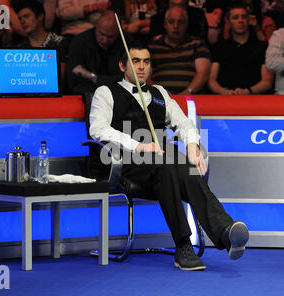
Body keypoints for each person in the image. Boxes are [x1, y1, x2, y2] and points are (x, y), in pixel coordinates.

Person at [89, 41, 250, 270]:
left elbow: (183, 123)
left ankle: (225, 232)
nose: (142, 66)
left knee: (186, 167)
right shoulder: (106, 92)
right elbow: (98, 129)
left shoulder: (160, 93)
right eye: (135, 61)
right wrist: (139, 146)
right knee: (167, 166)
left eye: (146, 61)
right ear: (122, 66)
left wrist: (193, 145)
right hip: (128, 161)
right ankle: (183, 244)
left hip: (163, 158)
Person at [208, 3, 274, 95]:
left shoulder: (263, 47)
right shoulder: (219, 47)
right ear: (228, 21)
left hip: (254, 99)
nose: (240, 20)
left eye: (243, 17)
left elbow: (267, 82)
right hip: (225, 99)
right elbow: (211, 81)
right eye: (235, 17)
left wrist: (248, 91)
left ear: (248, 20)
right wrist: (224, 92)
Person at [148, 6, 211, 94]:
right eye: (171, 22)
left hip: (191, 98)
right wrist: (163, 94)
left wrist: (187, 92)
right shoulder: (153, 46)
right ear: (165, 24)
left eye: (180, 22)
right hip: (160, 99)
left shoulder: (197, 43)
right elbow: (145, 78)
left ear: (186, 24)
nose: (176, 26)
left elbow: (203, 74)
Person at [67, 10, 124, 94]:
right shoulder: (80, 42)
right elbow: (74, 79)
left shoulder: (126, 43)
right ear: (96, 26)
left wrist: (92, 76)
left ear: (118, 32)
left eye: (110, 37)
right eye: (101, 34)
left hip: (119, 95)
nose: (105, 40)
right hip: (88, 94)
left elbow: (126, 81)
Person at [14, 0, 68, 88]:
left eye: (26, 16)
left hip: (53, 98)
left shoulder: (59, 42)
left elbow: (58, 79)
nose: (22, 21)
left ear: (40, 16)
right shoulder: (20, 48)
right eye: (20, 18)